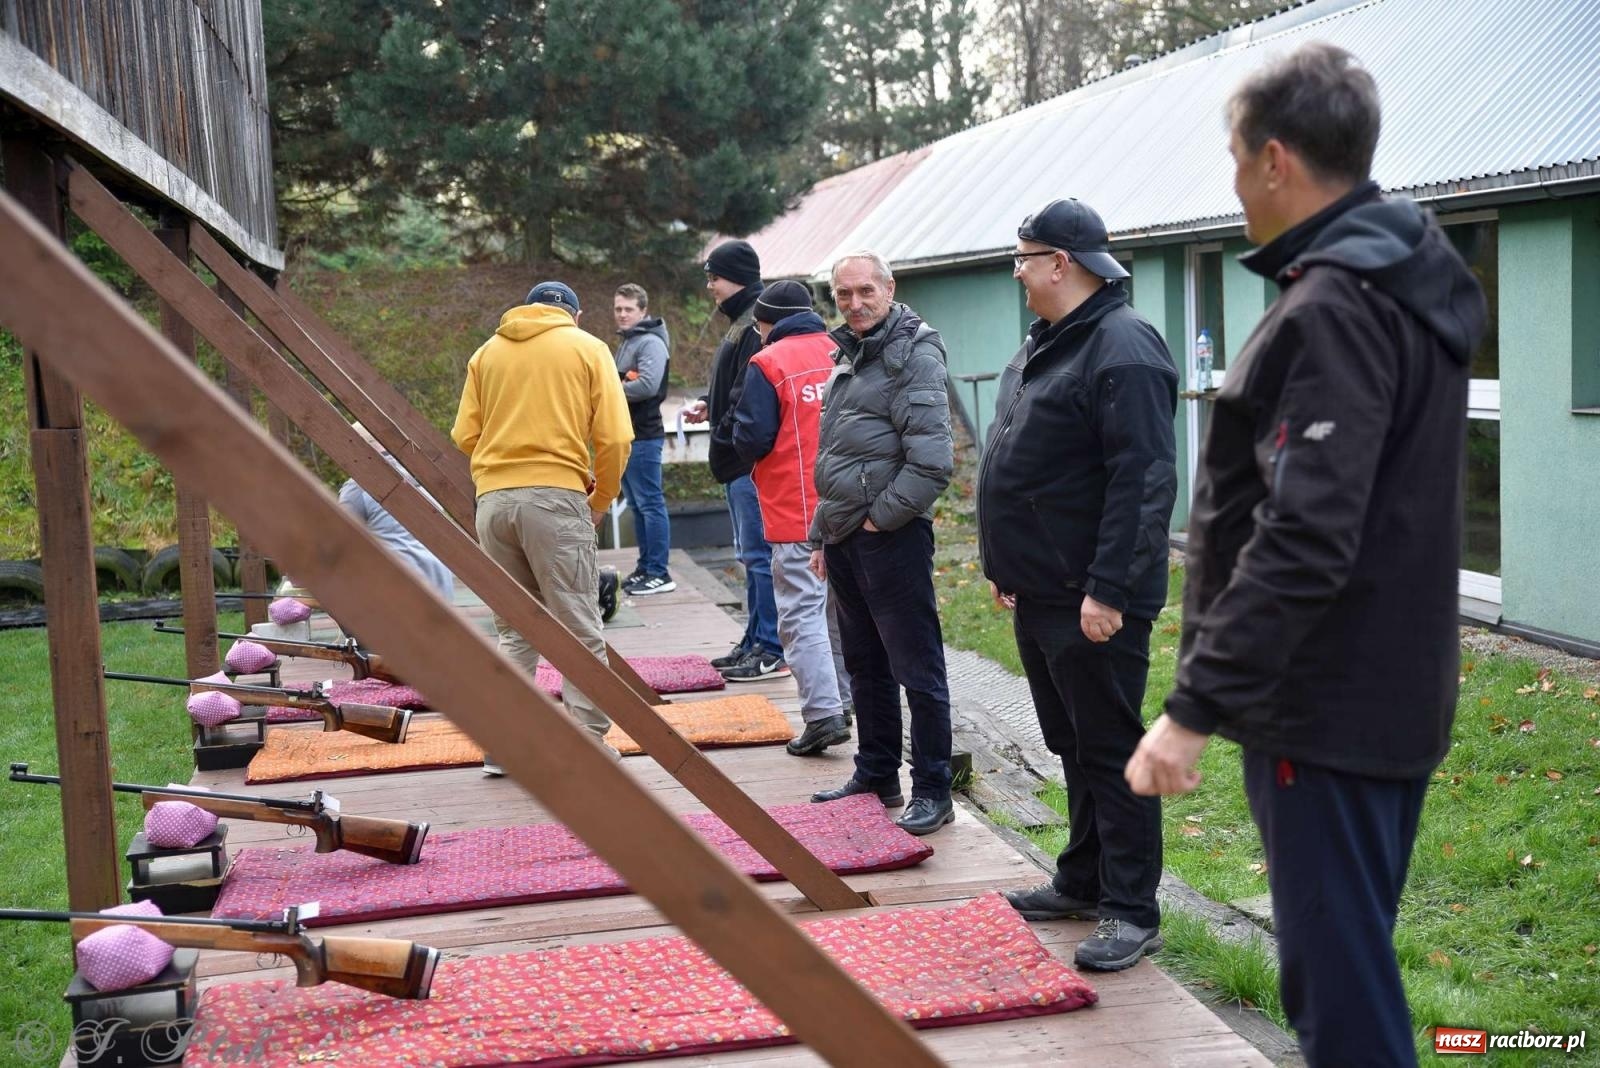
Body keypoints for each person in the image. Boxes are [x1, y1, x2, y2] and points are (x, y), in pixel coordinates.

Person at [1124, 43, 1486, 1067]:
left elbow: (1304, 533)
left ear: (1275, 160)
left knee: (1338, 997)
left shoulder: (1334, 306)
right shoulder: (1402, 279)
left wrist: (1192, 711)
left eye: (1235, 157)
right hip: (1387, 690)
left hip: (1325, 706)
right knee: (1347, 962)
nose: (1232, 182)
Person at [980, 199, 1179, 971]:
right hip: (1044, 588)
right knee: (1073, 743)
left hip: (1094, 596)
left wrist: (1110, 590)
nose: (1019, 273)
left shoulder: (1122, 349)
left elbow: (1144, 483)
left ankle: (1132, 911)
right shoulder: (1055, 341)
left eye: (1024, 259)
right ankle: (1084, 880)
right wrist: (1011, 570)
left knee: (1112, 747)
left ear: (1061, 263)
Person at [451, 280, 634, 774]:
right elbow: (616, 437)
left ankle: (505, 748)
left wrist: (504, 464)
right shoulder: (588, 348)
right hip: (556, 498)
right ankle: (585, 745)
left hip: (492, 502)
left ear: (526, 309)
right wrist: (600, 496)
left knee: (514, 629)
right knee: (578, 625)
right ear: (574, 316)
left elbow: (465, 433)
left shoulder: (487, 352)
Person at [808, 250, 955, 836]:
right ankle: (875, 773)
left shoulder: (913, 351)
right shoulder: (851, 351)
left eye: (866, 291)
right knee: (864, 664)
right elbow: (838, 454)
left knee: (916, 669)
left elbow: (932, 463)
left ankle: (934, 788)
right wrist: (825, 534)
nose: (855, 303)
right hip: (845, 537)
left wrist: (877, 521)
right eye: (844, 294)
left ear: (890, 289)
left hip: (889, 537)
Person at [730, 280, 851, 752]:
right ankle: (844, 698)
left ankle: (823, 714)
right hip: (850, 508)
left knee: (802, 614)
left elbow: (751, 437)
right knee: (843, 614)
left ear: (767, 324)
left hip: (795, 509)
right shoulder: (843, 350)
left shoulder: (768, 362)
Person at [684, 240, 787, 681]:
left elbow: (750, 392)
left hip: (746, 460)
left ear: (739, 277)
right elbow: (732, 385)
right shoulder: (738, 322)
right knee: (749, 555)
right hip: (734, 456)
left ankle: (769, 646)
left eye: (715, 277)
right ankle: (753, 637)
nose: (710, 287)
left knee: (760, 557)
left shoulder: (755, 323)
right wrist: (711, 403)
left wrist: (726, 432)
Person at [338, 422, 456, 600]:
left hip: (400, 587)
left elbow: (339, 538)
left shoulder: (358, 487)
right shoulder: (421, 479)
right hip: (441, 582)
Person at [612, 283, 675, 596]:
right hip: (628, 434)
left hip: (645, 435)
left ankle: (659, 573)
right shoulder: (629, 341)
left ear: (643, 311)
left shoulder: (649, 342)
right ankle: (646, 566)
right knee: (637, 505)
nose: (622, 315)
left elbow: (648, 385)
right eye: (618, 309)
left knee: (650, 503)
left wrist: (610, 389)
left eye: (628, 309)